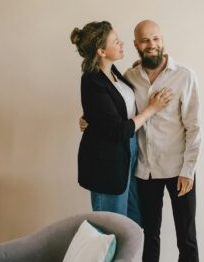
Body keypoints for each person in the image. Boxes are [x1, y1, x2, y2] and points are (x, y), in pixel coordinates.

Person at [81, 20, 202, 262]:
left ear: (162, 40)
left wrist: (189, 169)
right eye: (145, 40)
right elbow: (115, 115)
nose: (152, 45)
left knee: (186, 237)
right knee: (148, 235)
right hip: (144, 170)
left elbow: (195, 127)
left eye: (156, 39)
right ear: (137, 44)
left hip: (180, 170)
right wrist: (91, 118)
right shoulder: (128, 76)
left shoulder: (184, 76)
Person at [70, 20, 172, 226]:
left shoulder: (115, 73)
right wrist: (152, 109)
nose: (122, 44)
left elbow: (113, 108)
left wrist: (90, 117)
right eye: (116, 42)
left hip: (129, 157)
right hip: (108, 165)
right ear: (101, 51)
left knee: (134, 223)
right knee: (112, 230)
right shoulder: (91, 81)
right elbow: (117, 130)